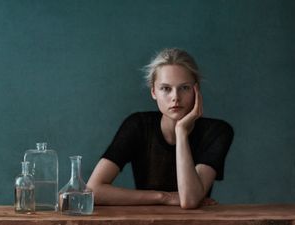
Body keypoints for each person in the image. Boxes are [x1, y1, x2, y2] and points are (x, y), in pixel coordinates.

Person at [87, 48, 233, 209]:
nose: (175, 97)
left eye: (184, 87)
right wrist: (164, 197)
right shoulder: (138, 125)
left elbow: (189, 200)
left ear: (196, 90)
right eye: (165, 88)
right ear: (153, 92)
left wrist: (182, 132)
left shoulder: (217, 131)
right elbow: (93, 190)